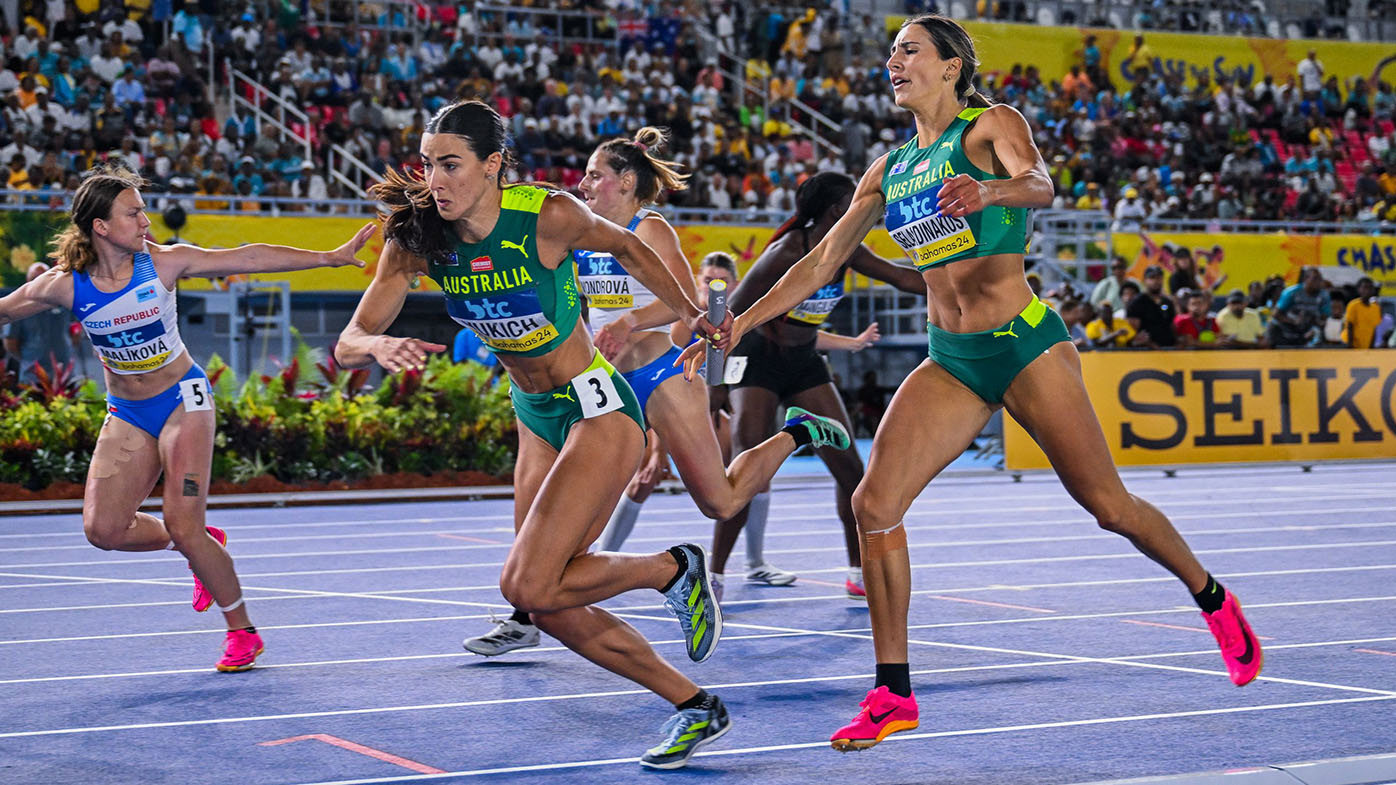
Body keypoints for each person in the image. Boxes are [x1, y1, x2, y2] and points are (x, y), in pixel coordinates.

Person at [681, 14, 1264, 752]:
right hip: (951, 359)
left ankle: (1213, 597)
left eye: (909, 50)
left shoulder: (991, 125)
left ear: (952, 66)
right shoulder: (889, 168)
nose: (893, 61)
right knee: (874, 500)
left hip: (1023, 346)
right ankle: (893, 692)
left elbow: (1041, 184)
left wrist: (989, 195)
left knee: (1109, 507)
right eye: (890, 52)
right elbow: (820, 261)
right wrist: (737, 316)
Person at [336, 101, 730, 770]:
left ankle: (671, 567)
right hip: (534, 413)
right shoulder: (417, 240)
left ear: (492, 166)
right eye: (429, 163)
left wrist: (694, 314)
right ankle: (695, 704)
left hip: (595, 407)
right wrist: (375, 344)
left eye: (451, 164)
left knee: (527, 583)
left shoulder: (546, 215)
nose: (436, 179)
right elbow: (347, 340)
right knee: (542, 596)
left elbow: (632, 247)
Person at [464, 129, 851, 655]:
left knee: (720, 500)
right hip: (599, 383)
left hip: (661, 375)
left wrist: (628, 322)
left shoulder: (652, 228)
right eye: (584, 176)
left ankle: (797, 433)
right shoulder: (580, 230)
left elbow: (682, 304)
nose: (584, 184)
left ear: (626, 181)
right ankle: (524, 615)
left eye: (596, 175)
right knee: (542, 505)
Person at [0, 166, 374, 671]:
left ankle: (242, 630)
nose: (145, 220)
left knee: (183, 521)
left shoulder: (165, 264)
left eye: (143, 209)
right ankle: (198, 545)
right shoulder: (65, 286)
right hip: (128, 412)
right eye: (133, 213)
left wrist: (329, 257)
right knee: (103, 530)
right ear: (101, 227)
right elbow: (5, 309)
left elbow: (247, 256)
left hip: (184, 399)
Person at [711, 171, 925, 600]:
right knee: (746, 468)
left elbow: (902, 278)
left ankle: (858, 573)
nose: (870, 209)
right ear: (836, 211)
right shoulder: (786, 250)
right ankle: (713, 575)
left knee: (851, 469)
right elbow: (725, 316)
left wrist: (968, 280)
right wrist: (714, 386)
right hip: (757, 359)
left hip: (805, 360)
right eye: (860, 202)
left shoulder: (847, 249)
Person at [2, 261, 77, 384]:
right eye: (34, 279)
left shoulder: (63, 299)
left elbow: (76, 332)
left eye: (42, 278)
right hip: (32, 377)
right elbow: (10, 343)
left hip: (65, 375)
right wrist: (29, 358)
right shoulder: (18, 306)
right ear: (28, 282)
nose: (39, 283)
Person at [1266, 267, 1331, 348]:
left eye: (1320, 279)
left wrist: (1317, 322)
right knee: (1273, 326)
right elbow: (1276, 314)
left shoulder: (1324, 295)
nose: (1318, 282)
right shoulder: (1292, 293)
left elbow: (1325, 317)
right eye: (1315, 279)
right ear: (1306, 279)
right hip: (1286, 330)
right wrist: (1294, 321)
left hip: (1306, 332)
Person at [1342, 277, 1381, 349]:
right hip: (1350, 344)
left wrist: (1371, 347)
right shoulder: (1353, 305)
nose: (1367, 290)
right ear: (1359, 289)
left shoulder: (1376, 308)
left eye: (1370, 288)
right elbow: (1350, 326)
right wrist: (1350, 346)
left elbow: (1374, 329)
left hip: (1365, 346)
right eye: (1365, 287)